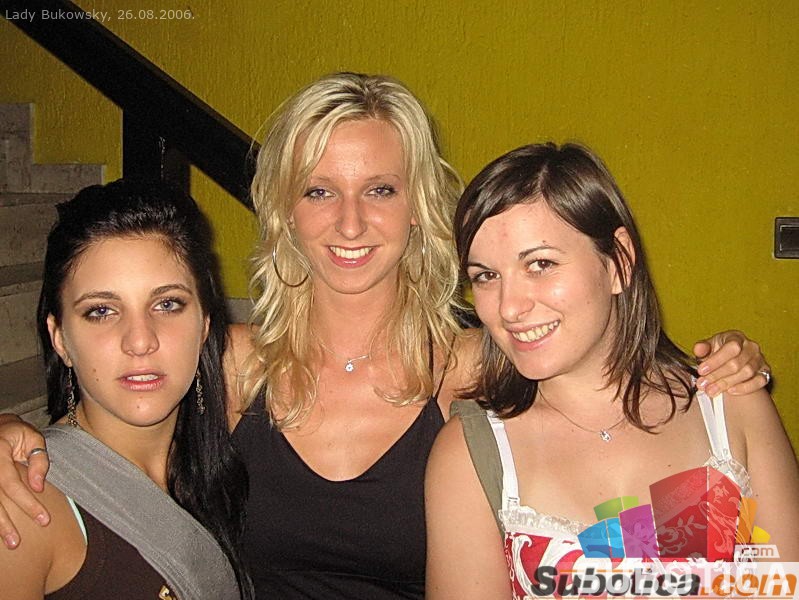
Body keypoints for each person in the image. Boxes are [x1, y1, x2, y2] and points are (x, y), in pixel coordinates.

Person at [0, 75, 770, 599]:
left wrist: (726, 362)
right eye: (318, 190)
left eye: (379, 189)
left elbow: (617, 378)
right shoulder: (230, 364)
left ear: (417, 205)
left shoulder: (477, 366)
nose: (349, 222)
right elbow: (104, 431)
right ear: (285, 210)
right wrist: (11, 432)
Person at [425, 143, 799, 599]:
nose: (509, 307)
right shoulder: (471, 453)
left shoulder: (730, 403)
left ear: (619, 260)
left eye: (540, 264)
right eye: (486, 276)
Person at [0, 181, 251, 599]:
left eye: (167, 304)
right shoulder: (25, 508)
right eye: (101, 311)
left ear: (205, 325)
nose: (140, 341)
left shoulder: (218, 455)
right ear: (60, 339)